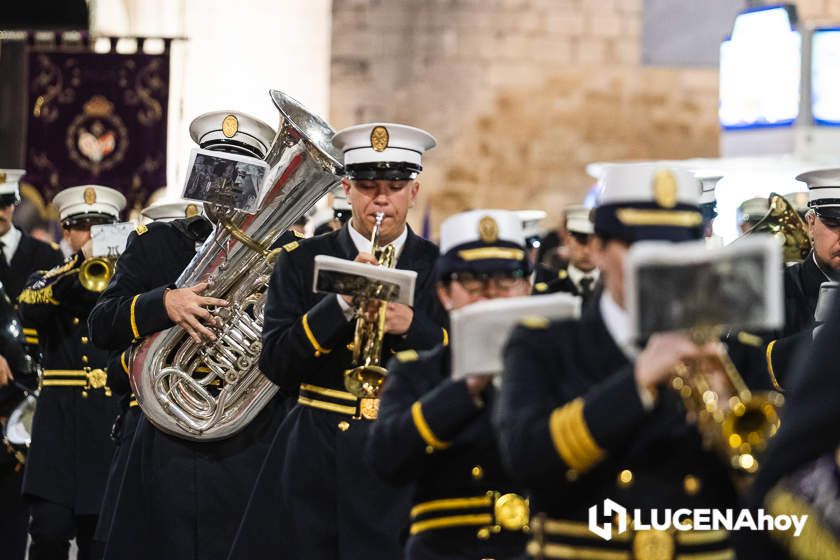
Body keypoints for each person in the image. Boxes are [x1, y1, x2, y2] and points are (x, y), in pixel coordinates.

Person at [495, 163, 772, 559]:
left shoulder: (734, 350)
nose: (661, 265)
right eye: (640, 248)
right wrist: (637, 381)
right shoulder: (544, 344)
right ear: (597, 249)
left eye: (678, 248)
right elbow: (526, 460)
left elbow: (772, 501)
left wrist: (730, 419)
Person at [228, 122, 447, 559]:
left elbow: (466, 362)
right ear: (346, 190)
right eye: (367, 186)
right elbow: (275, 364)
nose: (380, 199)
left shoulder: (439, 266)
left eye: (395, 185)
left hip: (405, 443)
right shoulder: (302, 260)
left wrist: (412, 327)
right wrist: (339, 305)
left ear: (414, 192)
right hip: (318, 448)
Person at [87, 111, 298, 560]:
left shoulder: (286, 254)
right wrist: (163, 304)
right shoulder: (155, 243)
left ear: (259, 182)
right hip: (167, 445)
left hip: (252, 440)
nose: (224, 186)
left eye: (238, 175)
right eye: (214, 171)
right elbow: (101, 325)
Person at [368, 209, 533, 559]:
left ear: (528, 288)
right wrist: (466, 387)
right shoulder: (418, 371)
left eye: (507, 279)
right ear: (445, 293)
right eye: (473, 280)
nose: (491, 294)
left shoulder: (556, 366)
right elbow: (386, 460)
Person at [18, 185, 126, 560]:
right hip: (58, 427)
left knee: (99, 541)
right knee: (47, 533)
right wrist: (79, 265)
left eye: (103, 227)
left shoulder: (125, 282)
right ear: (67, 231)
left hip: (106, 423)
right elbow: (29, 306)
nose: (93, 235)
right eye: (83, 227)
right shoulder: (49, 277)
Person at [0, 169, 63, 560]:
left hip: (26, 395)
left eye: (5, 204)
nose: (0, 212)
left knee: (14, 511)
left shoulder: (45, 256)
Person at [533, 205, 599, 305]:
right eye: (581, 241)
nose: (587, 251)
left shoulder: (614, 289)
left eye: (594, 243)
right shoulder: (547, 294)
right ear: (567, 240)